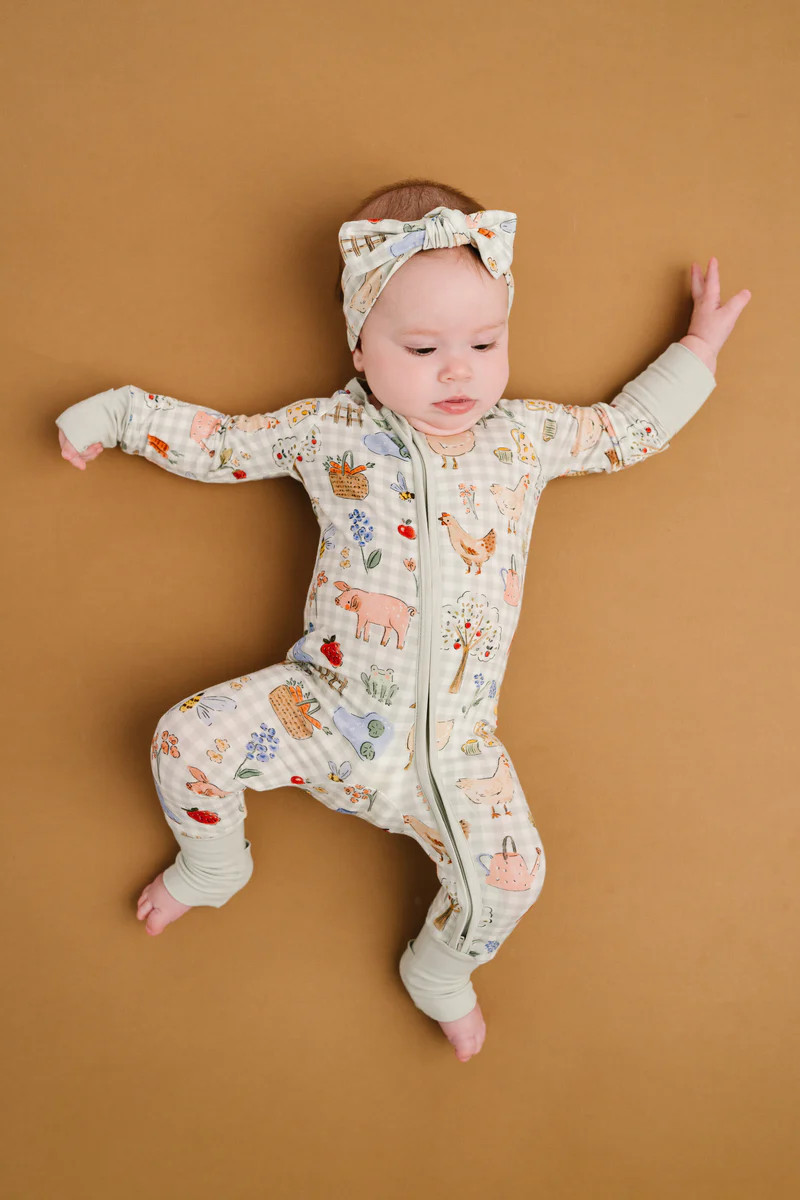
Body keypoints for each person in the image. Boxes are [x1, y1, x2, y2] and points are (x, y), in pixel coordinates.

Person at [55, 178, 751, 1063]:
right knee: (182, 739)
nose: (458, 370)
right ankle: (213, 863)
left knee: (515, 882)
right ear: (361, 345)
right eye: (422, 347)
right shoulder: (328, 431)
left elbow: (626, 429)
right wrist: (118, 414)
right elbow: (222, 443)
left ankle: (438, 968)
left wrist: (698, 348)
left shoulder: (523, 439)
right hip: (325, 708)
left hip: (458, 754)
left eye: (484, 342)